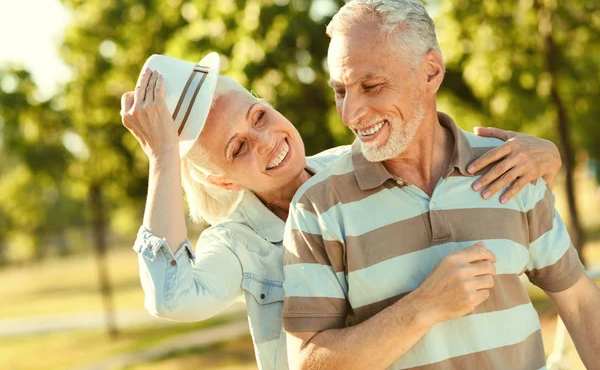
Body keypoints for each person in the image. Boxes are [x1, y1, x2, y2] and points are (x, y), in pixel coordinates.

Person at [121, 52, 562, 369]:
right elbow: (171, 298)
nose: (267, 140)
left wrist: (545, 157)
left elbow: (456, 175)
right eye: (238, 149)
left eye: (258, 116)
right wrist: (163, 156)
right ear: (222, 180)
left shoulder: (356, 163)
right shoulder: (236, 244)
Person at [282, 0, 600, 370]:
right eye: (340, 91)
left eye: (370, 86)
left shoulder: (511, 166)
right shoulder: (318, 207)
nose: (350, 113)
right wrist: (423, 307)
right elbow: (308, 363)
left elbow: (580, 304)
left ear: (430, 72)